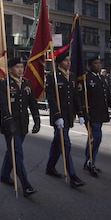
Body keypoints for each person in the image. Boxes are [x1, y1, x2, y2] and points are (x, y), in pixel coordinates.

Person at [0, 57, 40, 197]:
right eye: (17, 67)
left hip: (22, 124)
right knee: (17, 154)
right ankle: (26, 184)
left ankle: (4, 175)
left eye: (22, 66)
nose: (21, 69)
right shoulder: (3, 84)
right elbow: (2, 105)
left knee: (12, 152)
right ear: (9, 69)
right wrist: (9, 122)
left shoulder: (27, 83)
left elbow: (32, 103)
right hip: (10, 125)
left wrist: (37, 120)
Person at [45, 52, 86, 188]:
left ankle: (50, 167)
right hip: (59, 117)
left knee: (57, 144)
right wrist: (57, 116)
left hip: (68, 116)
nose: (69, 62)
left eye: (69, 60)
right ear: (59, 62)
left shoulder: (72, 76)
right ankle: (73, 175)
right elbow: (51, 98)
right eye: (66, 60)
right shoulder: (53, 77)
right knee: (65, 144)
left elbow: (75, 96)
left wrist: (80, 113)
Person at [82, 56, 111, 177]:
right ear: (90, 65)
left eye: (99, 63)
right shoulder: (86, 78)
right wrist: (83, 112)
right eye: (95, 63)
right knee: (96, 137)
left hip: (101, 113)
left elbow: (107, 95)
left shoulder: (102, 78)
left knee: (93, 139)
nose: (98, 65)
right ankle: (90, 162)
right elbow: (81, 97)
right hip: (91, 114)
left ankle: (89, 161)